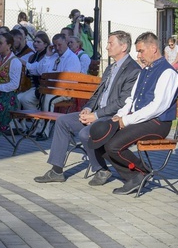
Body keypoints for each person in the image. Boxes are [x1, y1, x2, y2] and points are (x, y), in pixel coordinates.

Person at [34, 31, 141, 184]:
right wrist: (88, 109)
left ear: (123, 46)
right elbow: (98, 94)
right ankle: (56, 171)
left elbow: (122, 103)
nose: (106, 47)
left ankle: (101, 169)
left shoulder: (133, 70)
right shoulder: (111, 68)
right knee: (63, 121)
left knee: (86, 133)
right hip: (98, 113)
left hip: (115, 116)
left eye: (111, 43)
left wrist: (96, 116)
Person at [86, 32, 178, 195]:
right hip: (140, 120)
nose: (139, 55)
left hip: (158, 123)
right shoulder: (144, 71)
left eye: (141, 51)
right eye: (137, 51)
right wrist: (120, 115)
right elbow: (131, 99)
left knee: (113, 145)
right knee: (100, 138)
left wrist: (126, 121)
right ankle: (134, 176)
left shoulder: (167, 73)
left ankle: (140, 173)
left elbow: (157, 107)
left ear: (153, 48)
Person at [18, 33, 81, 140]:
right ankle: (36, 125)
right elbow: (39, 70)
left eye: (60, 45)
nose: (57, 48)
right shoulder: (53, 56)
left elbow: (68, 80)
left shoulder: (72, 58)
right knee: (23, 98)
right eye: (55, 45)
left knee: (47, 99)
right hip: (47, 89)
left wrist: (51, 80)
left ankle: (45, 131)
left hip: (65, 91)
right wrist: (47, 55)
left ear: (66, 42)